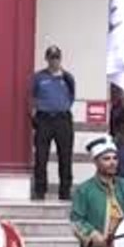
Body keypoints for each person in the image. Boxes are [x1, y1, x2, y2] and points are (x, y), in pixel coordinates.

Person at [29, 45, 77, 201]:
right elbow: (32, 97)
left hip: (62, 119)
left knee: (65, 156)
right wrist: (35, 116)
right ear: (47, 59)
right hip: (44, 119)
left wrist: (61, 107)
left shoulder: (67, 77)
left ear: (60, 59)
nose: (54, 61)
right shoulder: (39, 77)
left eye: (56, 58)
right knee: (41, 157)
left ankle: (65, 192)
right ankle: (40, 191)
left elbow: (71, 96)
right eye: (51, 58)